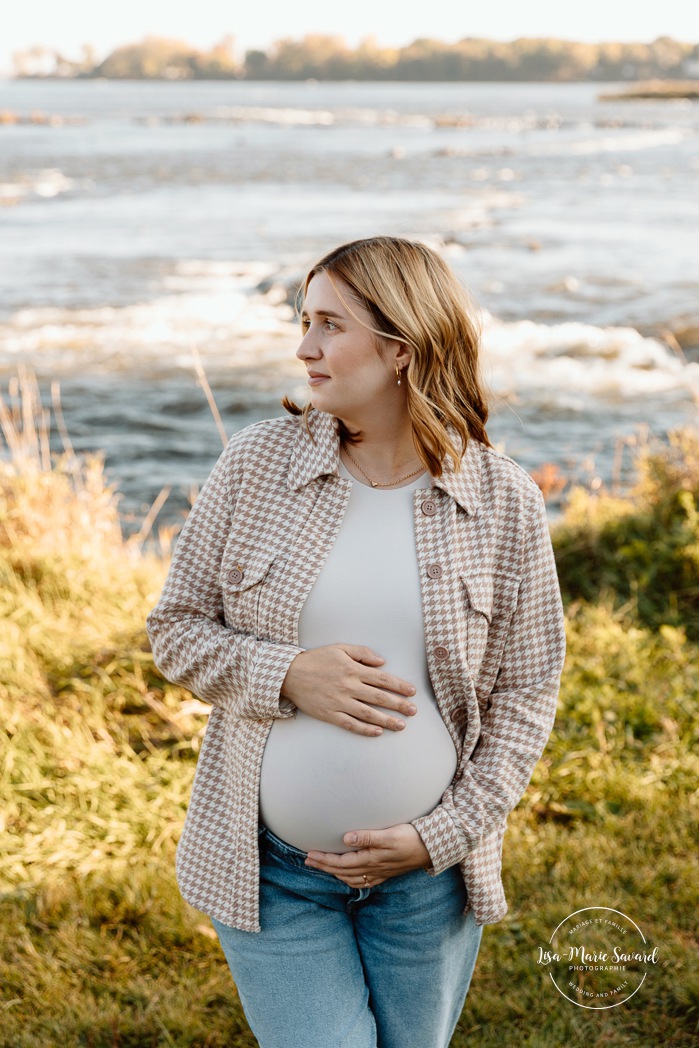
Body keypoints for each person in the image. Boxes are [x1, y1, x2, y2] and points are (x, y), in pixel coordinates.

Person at [146, 235, 566, 1048]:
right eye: (303, 321)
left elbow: (526, 694)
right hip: (273, 877)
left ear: (401, 349)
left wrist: (436, 836)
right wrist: (287, 674)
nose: (303, 347)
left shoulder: (503, 501)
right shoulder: (254, 466)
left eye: (328, 325)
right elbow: (176, 630)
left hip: (427, 885)